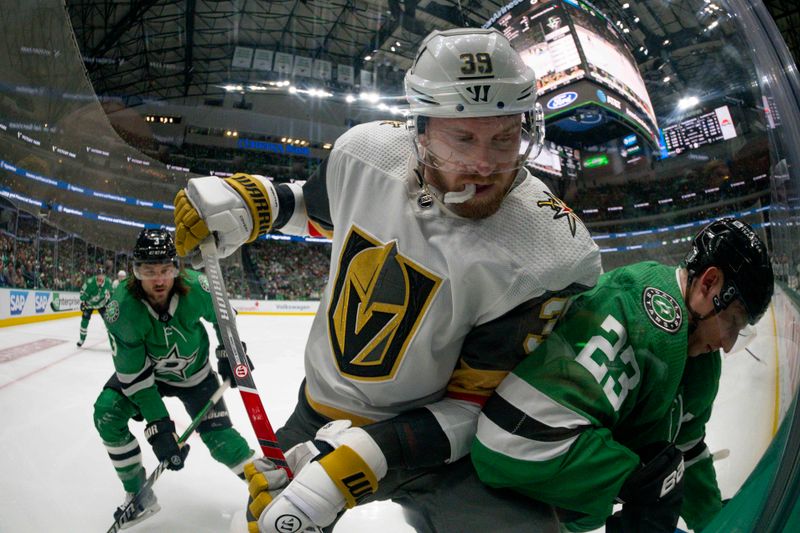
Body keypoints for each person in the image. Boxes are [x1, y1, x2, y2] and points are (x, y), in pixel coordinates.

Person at [173, 28, 602, 533]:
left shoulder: (551, 251)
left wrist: (375, 452)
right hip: (317, 413)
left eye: (504, 137)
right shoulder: (366, 153)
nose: (486, 164)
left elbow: (481, 406)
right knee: (270, 523)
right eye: (462, 137)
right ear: (418, 132)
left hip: (439, 447)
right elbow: (323, 208)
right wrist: (260, 204)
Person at [471, 217, 774, 533]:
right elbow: (507, 438)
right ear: (708, 283)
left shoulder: (700, 361)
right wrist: (635, 482)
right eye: (732, 322)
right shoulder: (634, 314)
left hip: (556, 502)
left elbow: (688, 451)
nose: (728, 345)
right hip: (505, 490)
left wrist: (718, 524)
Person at [92, 229, 255, 528]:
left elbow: (224, 316)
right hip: (149, 379)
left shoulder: (197, 287)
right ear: (135, 271)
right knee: (107, 413)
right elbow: (137, 381)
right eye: (148, 271)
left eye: (165, 270)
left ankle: (264, 485)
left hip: (195, 377)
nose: (158, 280)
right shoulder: (122, 309)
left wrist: (230, 352)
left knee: (222, 442)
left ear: (176, 269)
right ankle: (137, 495)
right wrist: (160, 427)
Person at [77, 268, 112, 347]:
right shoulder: (89, 282)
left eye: (102, 275)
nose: (100, 277)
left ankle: (113, 340)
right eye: (99, 275)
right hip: (89, 305)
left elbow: (112, 293)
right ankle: (82, 339)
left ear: (105, 276)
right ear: (96, 276)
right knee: (84, 321)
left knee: (109, 322)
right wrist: (83, 301)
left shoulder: (108, 282)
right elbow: (82, 294)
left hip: (102, 304)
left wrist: (110, 302)